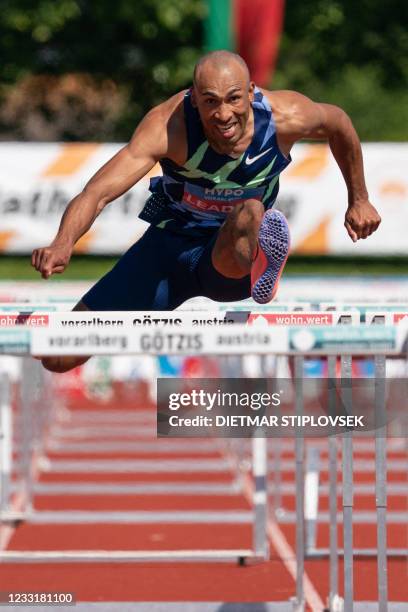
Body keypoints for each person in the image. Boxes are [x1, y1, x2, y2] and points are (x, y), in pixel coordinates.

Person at [32, 50, 381, 372]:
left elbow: (338, 123)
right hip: (166, 253)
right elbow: (97, 192)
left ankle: (261, 262)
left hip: (227, 260)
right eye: (210, 102)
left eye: (233, 99)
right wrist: (63, 242)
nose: (223, 115)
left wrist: (359, 198)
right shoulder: (168, 127)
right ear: (194, 99)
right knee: (58, 355)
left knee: (250, 211)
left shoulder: (285, 117)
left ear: (251, 91)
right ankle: (255, 256)